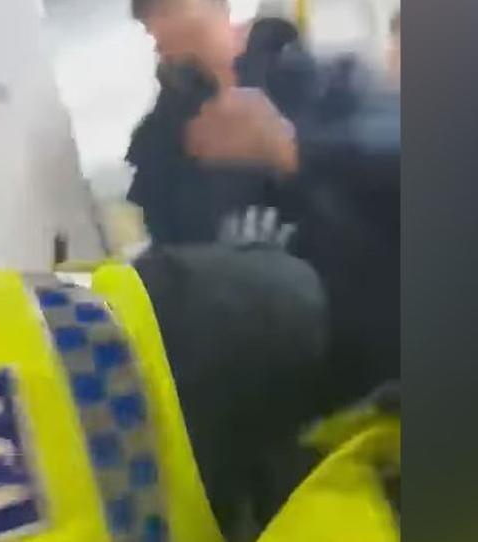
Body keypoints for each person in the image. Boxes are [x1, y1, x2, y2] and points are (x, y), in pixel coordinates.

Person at [0, 2, 360, 541]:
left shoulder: (316, 83)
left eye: (165, 11)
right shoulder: (98, 330)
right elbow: (285, 305)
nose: (155, 31)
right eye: (146, 18)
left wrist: (295, 153)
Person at [128, 0, 401, 412]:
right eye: (153, 17)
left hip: (375, 357)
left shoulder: (327, 80)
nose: (165, 26)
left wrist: (293, 152)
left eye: (175, 8)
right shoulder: (159, 148)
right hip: (269, 398)